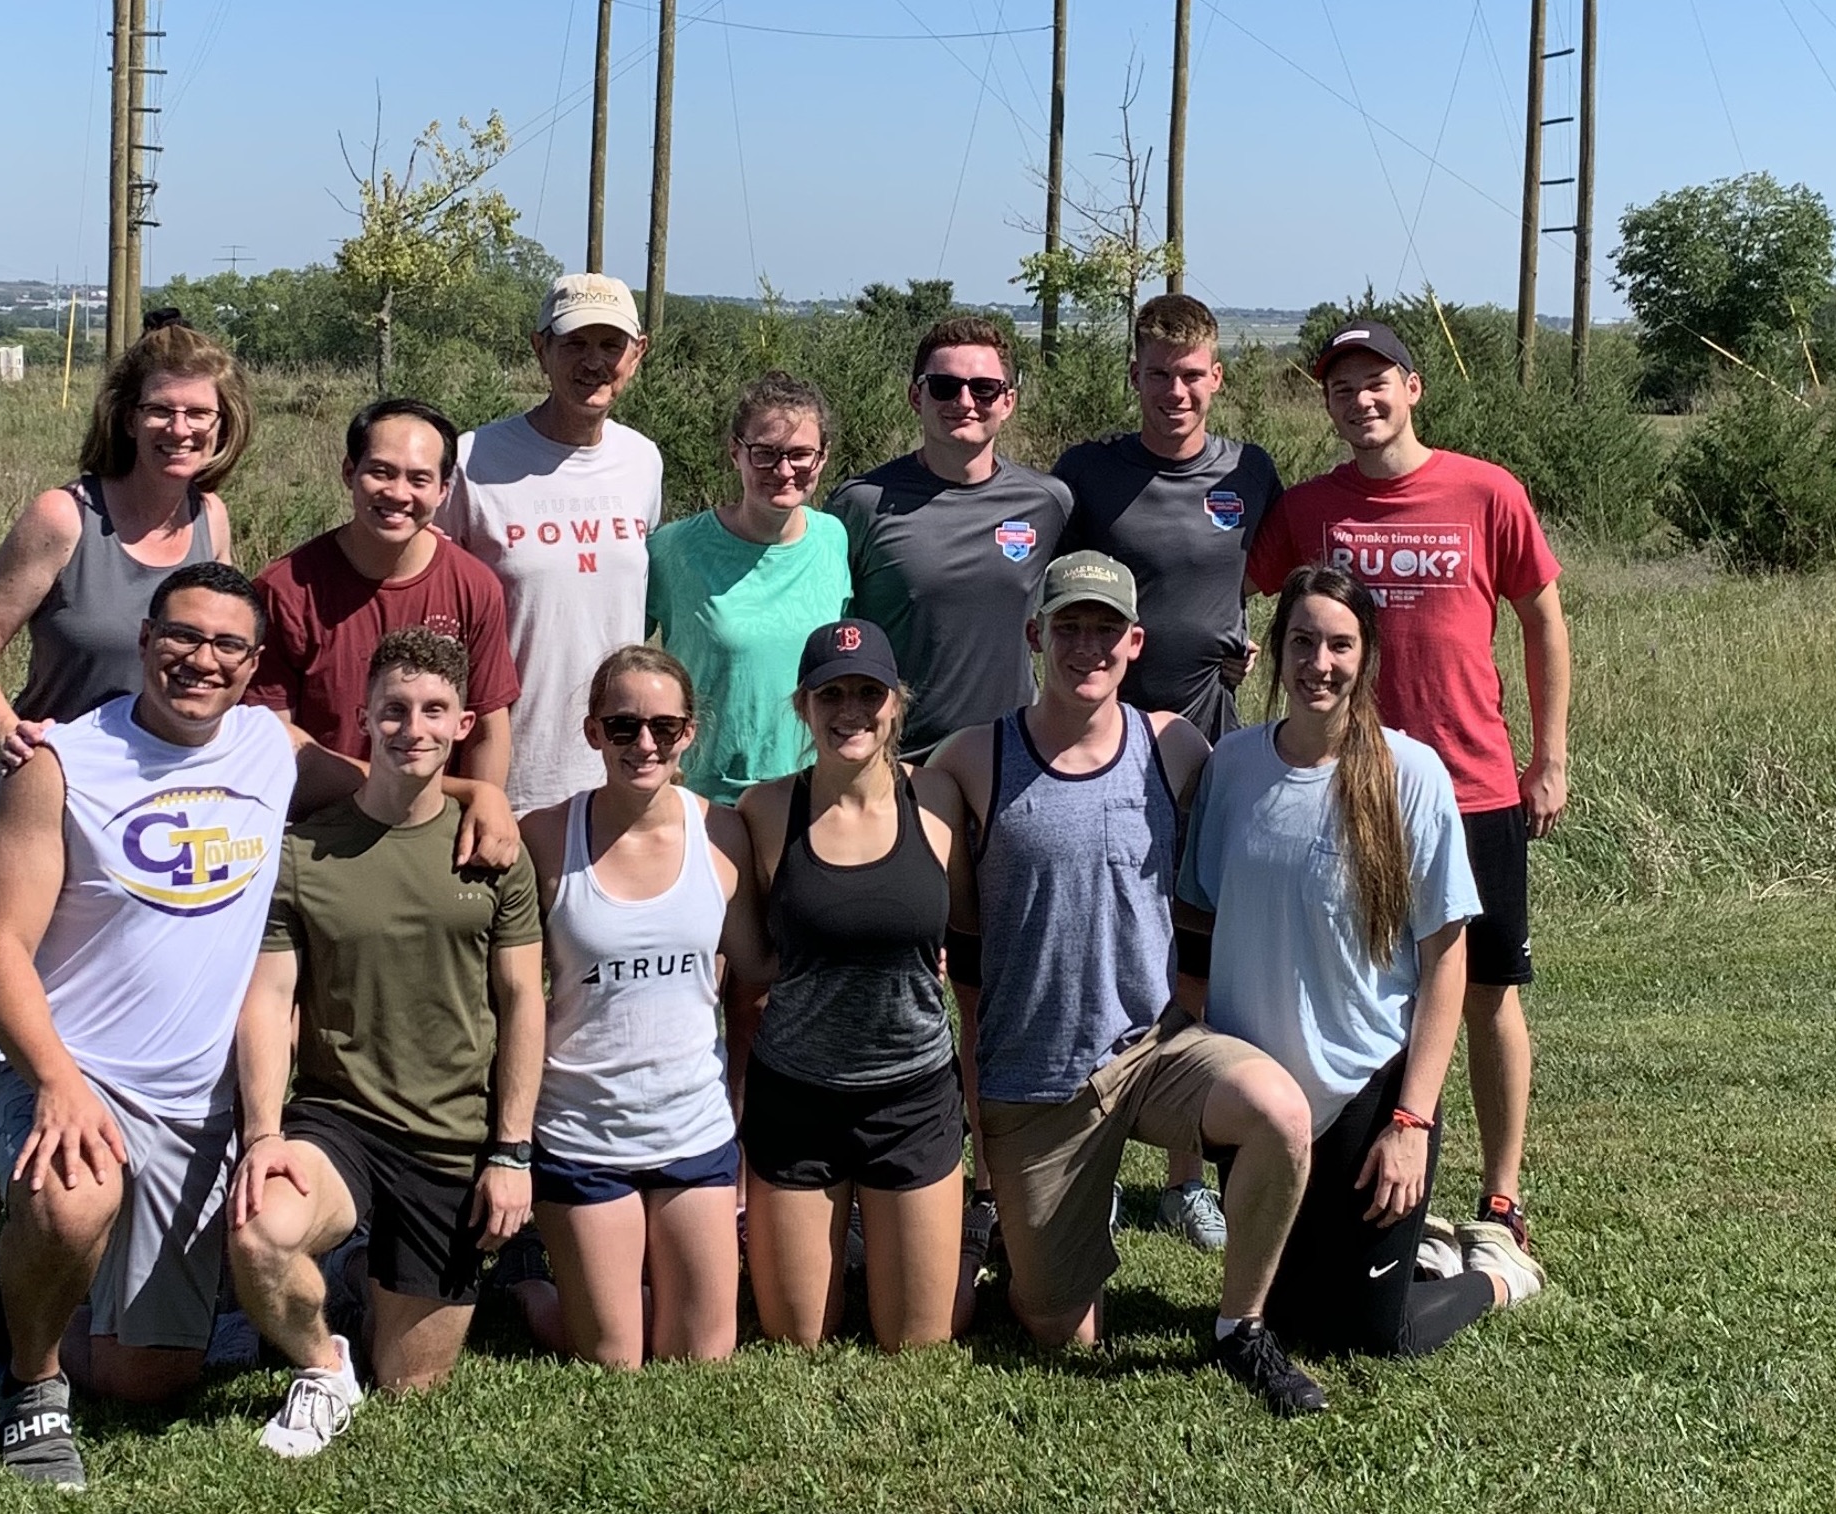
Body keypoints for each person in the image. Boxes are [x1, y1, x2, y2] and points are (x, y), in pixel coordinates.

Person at [0, 312, 248, 1384]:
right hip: (53, 810)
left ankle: (84, 1272)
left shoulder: (213, 522)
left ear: (222, 423)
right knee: (9, 1052)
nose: (180, 429)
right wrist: (11, 733)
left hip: (156, 827)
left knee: (99, 1040)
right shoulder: (67, 517)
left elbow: (218, 654)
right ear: (127, 413)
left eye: (199, 413)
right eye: (162, 409)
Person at [934, 553, 1328, 1416]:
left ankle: (1242, 1326)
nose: (1087, 647)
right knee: (1057, 1330)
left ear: (1136, 642)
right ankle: (1047, 1225)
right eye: (1068, 627)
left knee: (1279, 1113)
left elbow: (1275, 803)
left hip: (1155, 1050)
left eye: (1105, 630)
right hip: (1034, 1080)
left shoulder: (1173, 745)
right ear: (1036, 636)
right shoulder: (973, 758)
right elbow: (909, 874)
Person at [0, 561, 297, 1489]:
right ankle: (31, 1390)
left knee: (146, 1381)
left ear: (254, 662)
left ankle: (29, 1289)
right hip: (66, 1073)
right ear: (146, 641)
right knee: (74, 1195)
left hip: (196, 1113)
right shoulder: (61, 761)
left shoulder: (271, 745)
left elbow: (380, 787)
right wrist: (59, 1082)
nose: (201, 659)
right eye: (182, 636)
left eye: (228, 644)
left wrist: (478, 803)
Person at [1248, 319, 1570, 1273]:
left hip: (1471, 784)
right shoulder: (1310, 508)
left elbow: (1544, 622)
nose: (1361, 400)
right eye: (1342, 388)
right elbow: (1242, 591)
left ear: (1414, 388)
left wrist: (1548, 757)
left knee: (1486, 990)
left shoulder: (1485, 490)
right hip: (1352, 785)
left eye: (1376, 382)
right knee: (1376, 991)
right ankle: (1391, 1180)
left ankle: (1501, 1198)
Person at [1176, 566, 1546, 1357]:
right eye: (1303, 641)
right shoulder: (1233, 769)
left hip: (1369, 1098)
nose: (1320, 663)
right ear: (1276, 651)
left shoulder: (1411, 776)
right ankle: (1415, 1249)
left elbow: (1447, 961)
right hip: (1262, 1106)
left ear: (1366, 657)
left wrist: (1411, 1122)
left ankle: (1494, 1275)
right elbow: (1198, 933)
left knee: (1365, 1338)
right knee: (1282, 1317)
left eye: (1340, 645)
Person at [228, 628, 544, 1456]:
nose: (414, 727)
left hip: (451, 1141)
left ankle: (357, 1291)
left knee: (409, 1384)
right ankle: (320, 1363)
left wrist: (510, 1155)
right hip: (341, 1122)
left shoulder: (494, 852)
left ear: (463, 723)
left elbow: (522, 1003)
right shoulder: (301, 852)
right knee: (262, 1236)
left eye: (434, 710)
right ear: (363, 719)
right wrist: (263, 1133)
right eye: (395, 710)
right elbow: (268, 998)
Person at [1054, 290, 1283, 1255]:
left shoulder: (1252, 474)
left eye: (1193, 375)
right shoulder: (1088, 475)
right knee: (1097, 955)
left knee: (1193, 955)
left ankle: (1186, 1175)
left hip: (1211, 748)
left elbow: (1263, 577)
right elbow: (1055, 596)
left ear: (1217, 377)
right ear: (1135, 376)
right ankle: (1091, 1163)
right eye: (1158, 373)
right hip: (1104, 753)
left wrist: (1251, 645)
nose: (1175, 391)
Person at [733, 619, 977, 1353]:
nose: (850, 710)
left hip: (912, 1097)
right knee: (798, 1335)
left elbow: (962, 924)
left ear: (896, 703)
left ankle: (940, 1237)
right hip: (797, 1097)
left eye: (868, 692)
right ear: (802, 707)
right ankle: (858, 1225)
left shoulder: (937, 800)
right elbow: (754, 963)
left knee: (918, 1339)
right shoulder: (766, 810)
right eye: (830, 693)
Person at [512, 646, 755, 1368]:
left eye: (663, 727)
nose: (643, 745)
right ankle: (526, 1286)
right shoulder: (546, 839)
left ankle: (639, 1276)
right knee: (613, 1355)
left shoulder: (723, 833)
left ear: (689, 733)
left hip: (692, 1126)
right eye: (622, 727)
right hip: (584, 1132)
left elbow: (759, 973)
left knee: (701, 1353)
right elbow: (515, 994)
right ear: (592, 733)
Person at [437, 273, 663, 814]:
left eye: (611, 345)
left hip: (616, 772)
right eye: (574, 344)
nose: (594, 362)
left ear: (637, 354)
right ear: (540, 348)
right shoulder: (474, 461)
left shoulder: (642, 461)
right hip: (504, 777)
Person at [827, 314, 1071, 760]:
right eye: (944, 386)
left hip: (1009, 758)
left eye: (983, 388)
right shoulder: (860, 503)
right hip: (896, 761)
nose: (964, 401)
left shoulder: (1048, 503)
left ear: (1008, 401)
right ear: (915, 395)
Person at [246, 396, 521, 784]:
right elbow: (273, 739)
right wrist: (389, 792)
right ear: (348, 472)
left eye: (419, 479)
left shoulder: (474, 587)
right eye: (381, 472)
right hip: (321, 820)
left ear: (443, 490)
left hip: (436, 822)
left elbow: (488, 729)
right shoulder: (286, 589)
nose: (397, 493)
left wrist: (484, 801)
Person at [645, 371, 851, 805]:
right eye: (765, 453)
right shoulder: (675, 549)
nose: (783, 470)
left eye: (800, 455)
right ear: (735, 451)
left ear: (823, 457)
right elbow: (625, 655)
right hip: (705, 800)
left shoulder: (834, 539)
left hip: (810, 793)